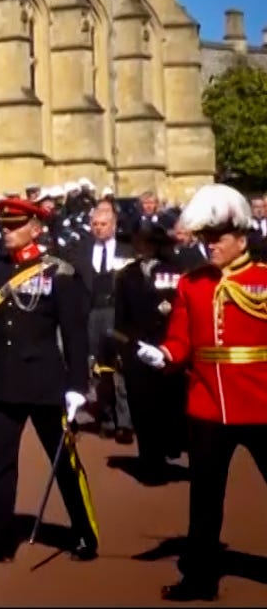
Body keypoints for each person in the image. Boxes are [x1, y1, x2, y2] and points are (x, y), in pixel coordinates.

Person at [133, 184, 267, 602]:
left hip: (261, 402)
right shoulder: (192, 285)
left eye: (219, 239)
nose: (212, 247)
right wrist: (164, 355)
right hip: (209, 404)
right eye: (207, 239)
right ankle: (201, 578)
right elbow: (181, 341)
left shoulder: (263, 280)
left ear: (240, 239)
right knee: (205, 499)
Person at [0, 196, 99, 563]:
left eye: (13, 226)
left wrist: (77, 386)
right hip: (4, 383)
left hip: (45, 385)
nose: (4, 232)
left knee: (64, 462)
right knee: (1, 463)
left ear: (35, 229)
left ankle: (85, 533)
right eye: (2, 226)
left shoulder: (58, 273)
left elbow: (74, 333)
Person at [113, 222, 190, 483]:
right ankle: (149, 460)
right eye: (137, 241)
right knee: (142, 407)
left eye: (145, 241)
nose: (140, 246)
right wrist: (126, 347)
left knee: (169, 404)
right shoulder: (127, 275)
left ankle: (170, 449)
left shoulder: (176, 272)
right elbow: (120, 320)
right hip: (138, 350)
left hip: (168, 349)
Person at [69, 200, 133, 442]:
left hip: (117, 314)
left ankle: (125, 423)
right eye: (95, 224)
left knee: (120, 368)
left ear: (114, 225)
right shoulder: (81, 251)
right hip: (91, 314)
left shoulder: (126, 252)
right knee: (98, 369)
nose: (99, 228)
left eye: (104, 224)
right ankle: (106, 417)